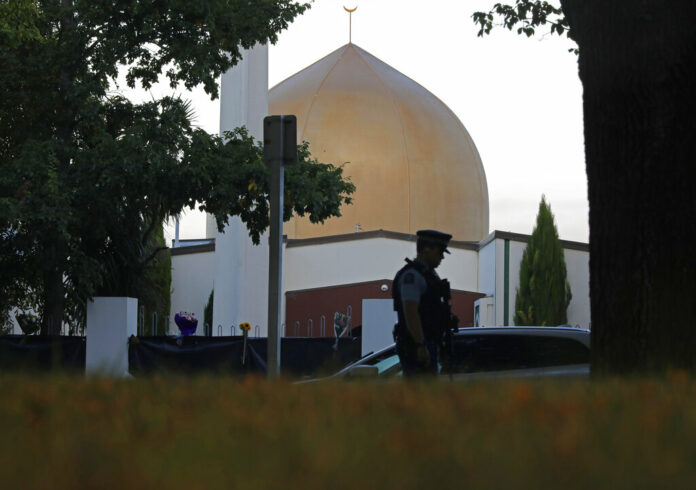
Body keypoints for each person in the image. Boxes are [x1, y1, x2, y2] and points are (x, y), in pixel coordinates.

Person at [392, 229, 455, 377]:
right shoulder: (412, 276)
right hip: (416, 346)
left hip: (428, 342)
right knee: (419, 393)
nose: (442, 257)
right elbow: (411, 311)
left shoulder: (429, 275)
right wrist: (420, 344)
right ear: (427, 249)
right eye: (440, 252)